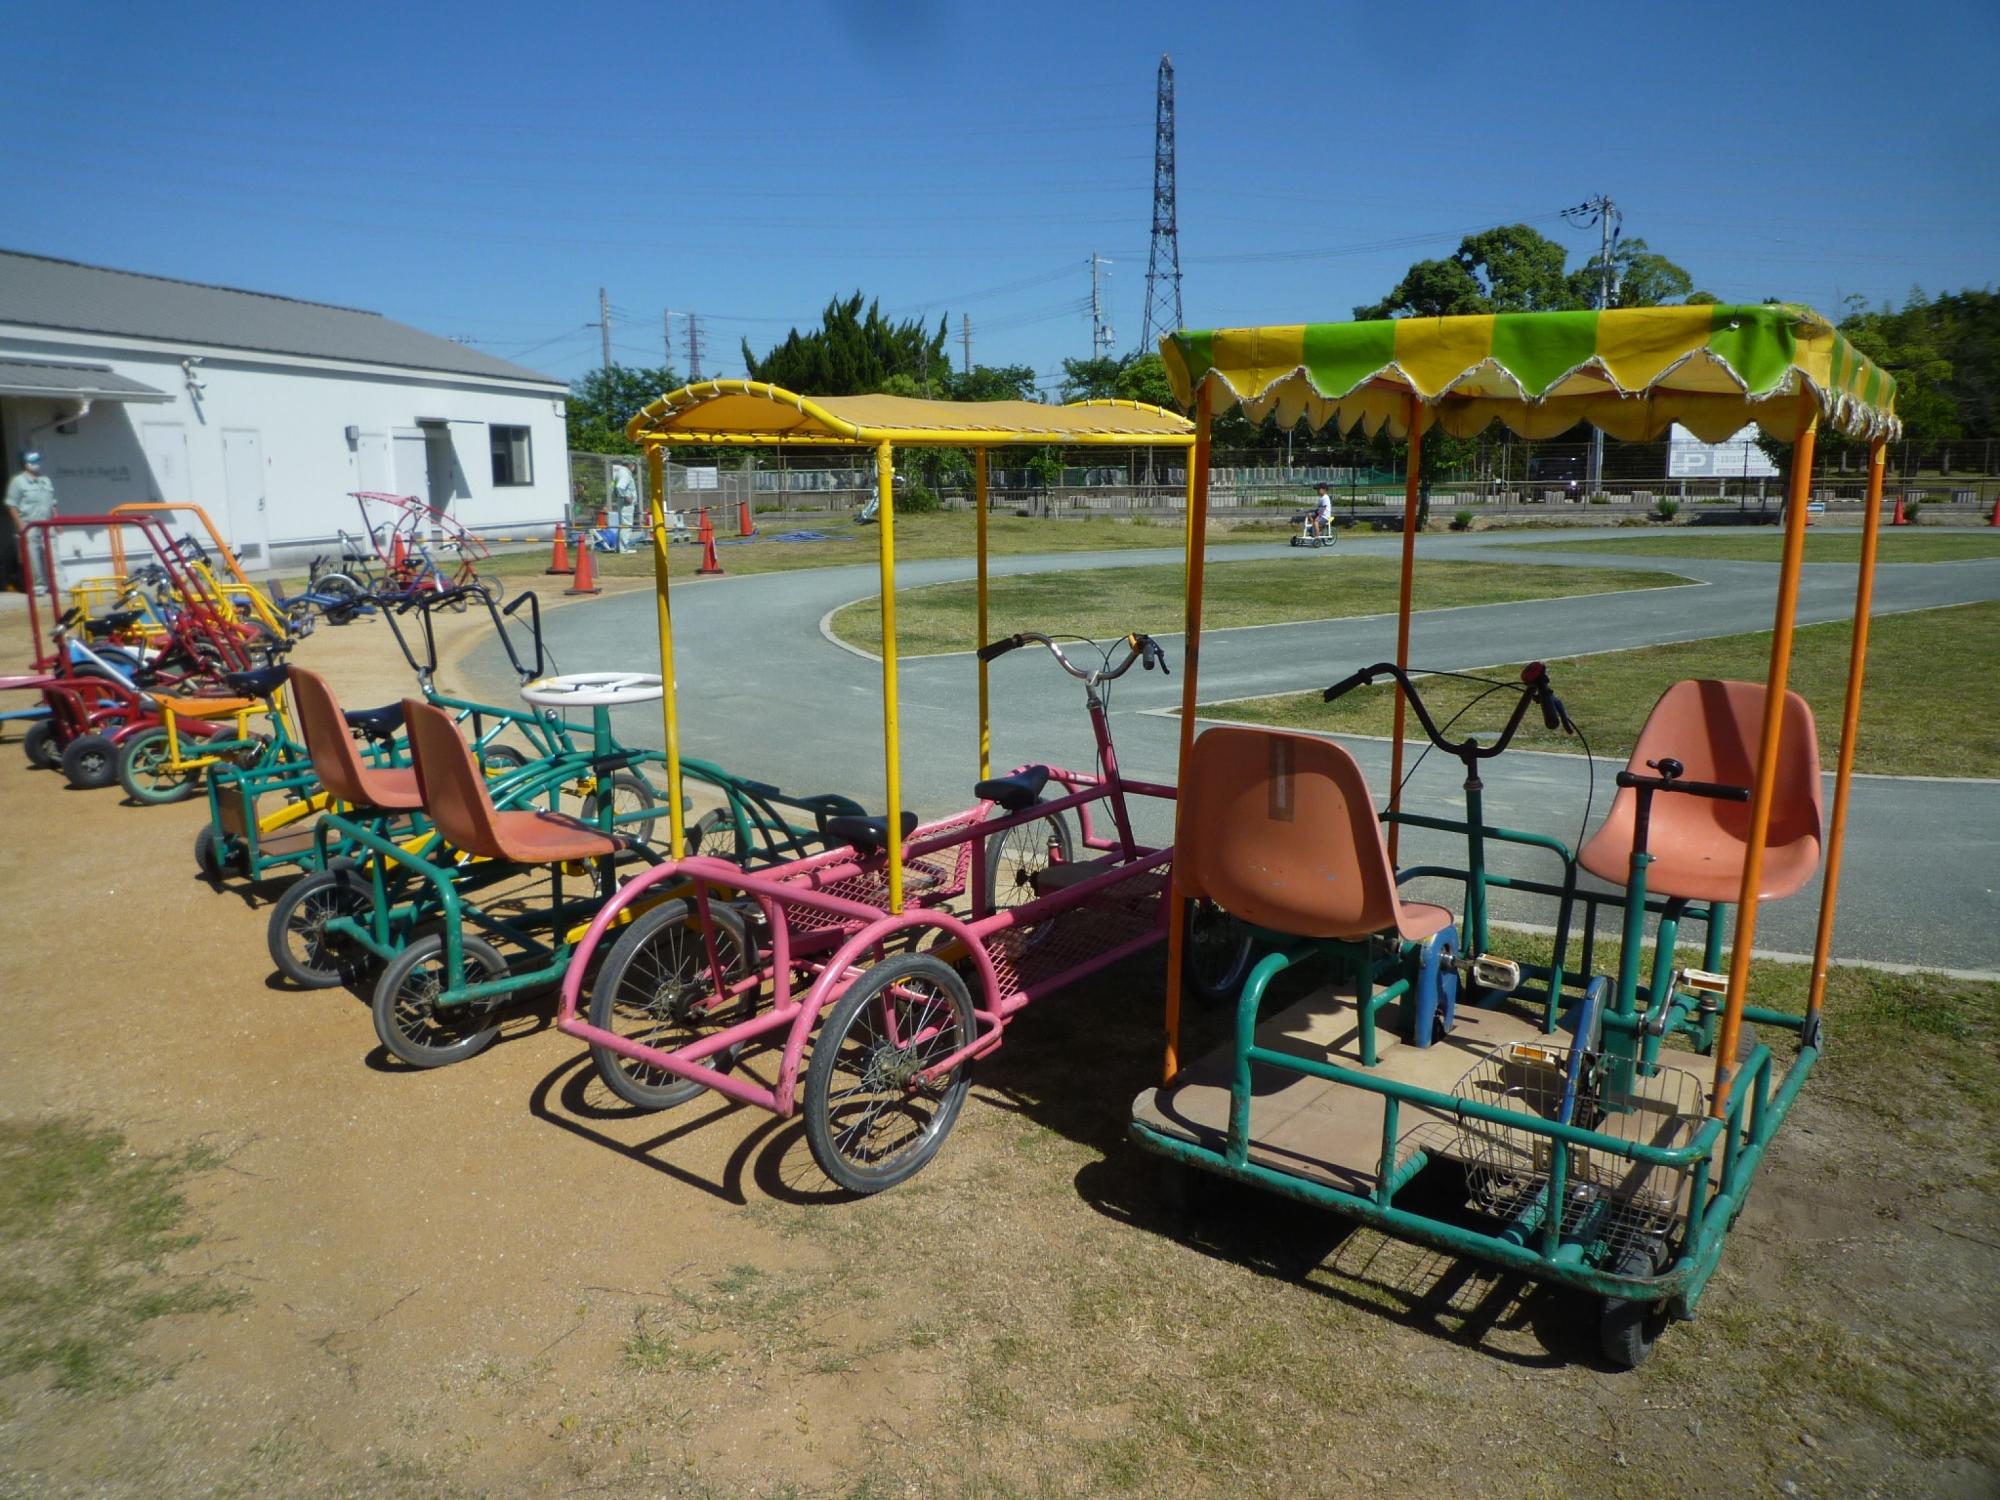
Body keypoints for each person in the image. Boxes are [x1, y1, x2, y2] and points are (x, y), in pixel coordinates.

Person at [5, 451, 57, 592]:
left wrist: (57, 521)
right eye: (32, 461)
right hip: (30, 524)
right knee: (34, 558)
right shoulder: (18, 482)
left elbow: (52, 503)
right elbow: (12, 505)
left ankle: (57, 586)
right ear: (25, 464)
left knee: (53, 556)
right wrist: (21, 525)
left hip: (48, 524)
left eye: (38, 461)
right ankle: (39, 587)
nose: (36, 464)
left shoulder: (45, 480)